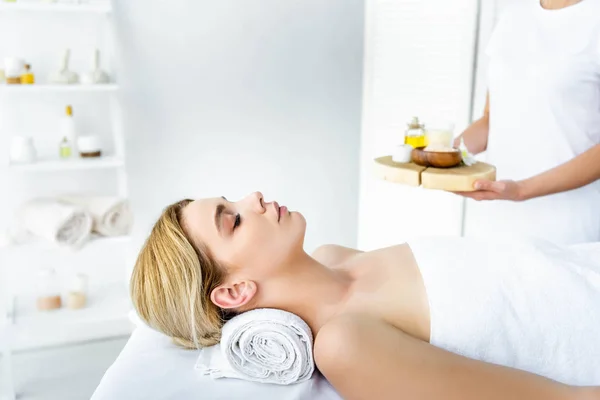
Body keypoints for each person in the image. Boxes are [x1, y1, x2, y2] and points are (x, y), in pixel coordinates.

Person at [130, 192, 600, 400]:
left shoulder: (336, 255)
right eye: (232, 219)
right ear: (234, 291)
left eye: (230, 200)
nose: (251, 197)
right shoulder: (346, 344)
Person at [454, 0, 600, 245]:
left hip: (570, 228)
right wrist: (445, 153)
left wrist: (522, 190)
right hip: (496, 219)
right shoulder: (513, 17)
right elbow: (492, 119)